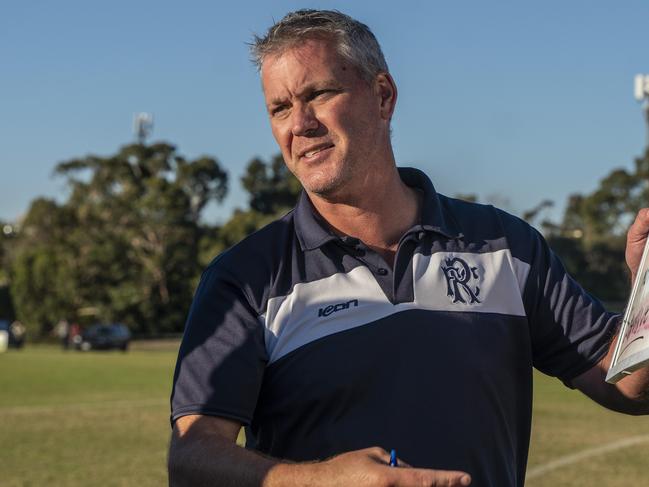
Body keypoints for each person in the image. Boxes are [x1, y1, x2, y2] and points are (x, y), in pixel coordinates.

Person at [168, 9, 649, 487]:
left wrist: (647, 294)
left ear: (382, 96)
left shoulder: (507, 246)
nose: (300, 124)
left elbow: (628, 386)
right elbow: (193, 459)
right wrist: (323, 480)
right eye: (280, 108)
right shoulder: (246, 277)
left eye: (319, 94)